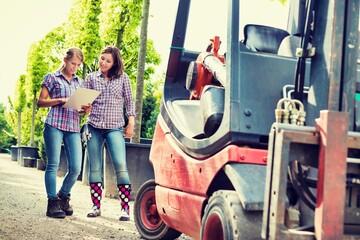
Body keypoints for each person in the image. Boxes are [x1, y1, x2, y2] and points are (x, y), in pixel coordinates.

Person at [37, 47, 91, 219]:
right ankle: (52, 203)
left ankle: (63, 196)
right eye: (73, 63)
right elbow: (40, 102)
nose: (75, 67)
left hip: (73, 127)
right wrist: (60, 100)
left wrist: (85, 109)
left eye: (78, 65)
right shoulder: (51, 77)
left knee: (76, 167)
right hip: (54, 124)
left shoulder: (79, 82)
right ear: (65, 60)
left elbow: (79, 108)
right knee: (53, 165)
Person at [83, 45, 135, 221]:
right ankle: (95, 207)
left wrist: (131, 122)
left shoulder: (123, 78)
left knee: (121, 165)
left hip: (115, 127)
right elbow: (81, 106)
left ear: (114, 63)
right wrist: (85, 108)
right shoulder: (91, 78)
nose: (103, 62)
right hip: (94, 126)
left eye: (108, 60)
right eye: (102, 58)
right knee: (95, 167)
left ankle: (125, 209)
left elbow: (129, 101)